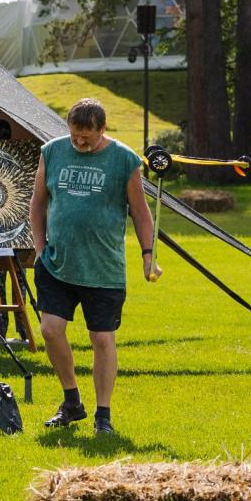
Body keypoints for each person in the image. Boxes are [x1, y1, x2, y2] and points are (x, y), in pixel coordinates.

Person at [27, 98, 157, 434]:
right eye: (75, 135)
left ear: (102, 129)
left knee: (101, 338)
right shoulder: (52, 152)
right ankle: (72, 402)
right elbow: (38, 203)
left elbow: (140, 212)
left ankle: (103, 415)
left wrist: (148, 255)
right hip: (57, 263)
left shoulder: (124, 159)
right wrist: (39, 248)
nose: (79, 142)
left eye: (87, 137)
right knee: (50, 330)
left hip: (103, 268)